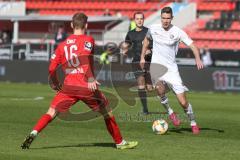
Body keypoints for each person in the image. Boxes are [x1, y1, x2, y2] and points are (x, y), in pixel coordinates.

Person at [21, 13, 138, 150]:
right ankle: (119, 142)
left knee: (51, 112)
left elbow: (52, 67)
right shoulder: (88, 40)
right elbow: (84, 58)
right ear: (86, 25)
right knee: (107, 112)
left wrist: (55, 83)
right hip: (85, 85)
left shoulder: (62, 45)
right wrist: (90, 78)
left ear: (71, 25)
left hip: (68, 86)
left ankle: (34, 132)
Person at [140, 7, 204, 134]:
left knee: (183, 102)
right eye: (163, 18)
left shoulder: (178, 32)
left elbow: (192, 45)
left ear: (172, 18)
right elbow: (146, 40)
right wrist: (142, 56)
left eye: (168, 18)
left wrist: (198, 58)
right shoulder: (153, 29)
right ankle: (170, 112)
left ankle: (193, 122)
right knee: (159, 90)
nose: (165, 21)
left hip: (172, 70)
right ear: (161, 18)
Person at [123, 12, 153, 115]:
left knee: (149, 88)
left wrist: (150, 50)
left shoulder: (148, 32)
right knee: (140, 84)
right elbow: (126, 44)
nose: (139, 20)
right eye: (137, 19)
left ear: (143, 20)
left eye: (141, 19)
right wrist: (125, 50)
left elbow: (154, 46)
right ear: (134, 20)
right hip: (136, 61)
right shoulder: (130, 33)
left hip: (148, 61)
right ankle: (145, 108)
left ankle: (150, 85)